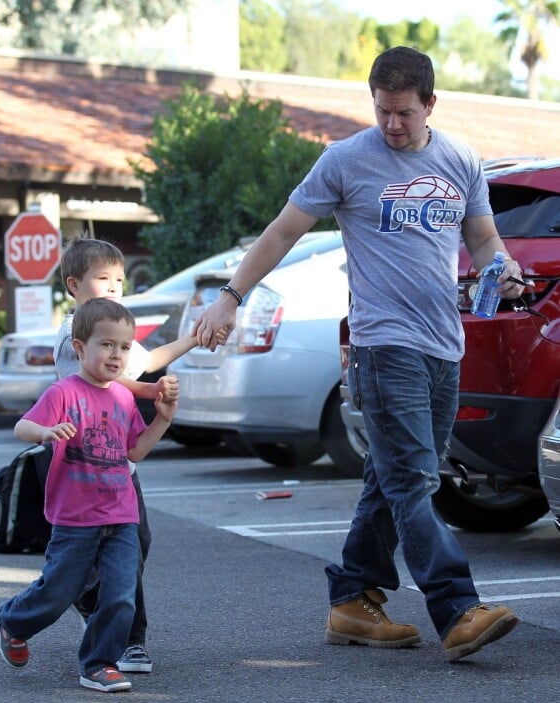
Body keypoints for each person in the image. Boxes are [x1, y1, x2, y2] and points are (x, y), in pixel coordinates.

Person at [193, 46, 525, 662]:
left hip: (443, 348)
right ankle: (456, 607)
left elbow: (483, 240)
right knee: (415, 479)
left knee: (391, 478)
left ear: (430, 104)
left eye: (403, 112)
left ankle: (352, 598)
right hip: (382, 346)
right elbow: (283, 232)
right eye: (381, 111)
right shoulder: (345, 161)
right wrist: (231, 296)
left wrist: (503, 272)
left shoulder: (460, 160)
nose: (391, 124)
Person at [0, 298, 178, 692]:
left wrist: (162, 419)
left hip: (121, 515)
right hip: (76, 519)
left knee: (121, 595)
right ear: (80, 348)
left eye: (124, 347)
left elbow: (134, 451)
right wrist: (46, 432)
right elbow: (22, 427)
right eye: (107, 344)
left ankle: (98, 663)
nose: (117, 354)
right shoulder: (64, 392)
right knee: (59, 592)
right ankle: (14, 620)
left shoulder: (124, 398)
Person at [54, 231, 203, 674]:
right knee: (80, 556)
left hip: (117, 466)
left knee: (135, 543)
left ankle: (121, 633)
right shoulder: (73, 338)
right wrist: (148, 389)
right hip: (80, 468)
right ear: (73, 286)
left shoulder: (113, 333)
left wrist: (193, 338)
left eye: (119, 281)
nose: (114, 290)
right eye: (103, 279)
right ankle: (110, 626)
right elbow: (104, 380)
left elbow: (148, 360)